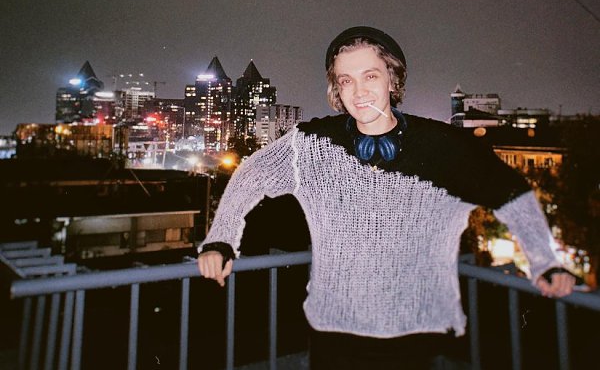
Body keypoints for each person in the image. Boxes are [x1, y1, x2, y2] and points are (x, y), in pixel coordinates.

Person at [198, 26, 576, 369]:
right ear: (336, 89)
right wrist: (221, 240)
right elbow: (251, 175)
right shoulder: (310, 144)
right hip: (334, 333)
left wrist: (545, 262)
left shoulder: (445, 147)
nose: (358, 91)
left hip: (418, 337)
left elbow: (511, 193)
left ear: (392, 79)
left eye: (370, 76)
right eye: (346, 80)